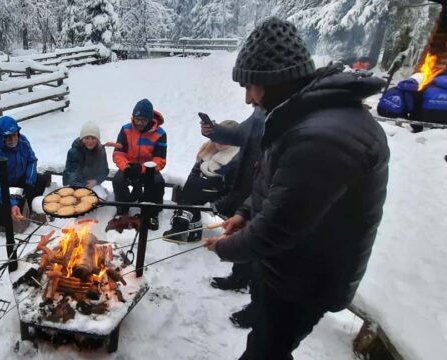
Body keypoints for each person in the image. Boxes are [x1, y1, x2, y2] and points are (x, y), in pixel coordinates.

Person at [203, 18, 390, 360]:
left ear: (275, 80)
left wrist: (225, 247)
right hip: (286, 267)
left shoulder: (324, 137)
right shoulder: (300, 118)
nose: (247, 99)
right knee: (264, 342)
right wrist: (245, 212)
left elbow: (278, 228)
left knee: (266, 352)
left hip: (305, 280)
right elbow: (276, 186)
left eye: (250, 86)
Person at [202, 108, 267, 329]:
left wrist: (223, 248)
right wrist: (215, 131)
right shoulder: (262, 112)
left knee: (262, 249)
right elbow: (240, 134)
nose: (248, 100)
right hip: (249, 188)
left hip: (268, 197)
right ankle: (239, 277)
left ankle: (259, 308)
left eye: (250, 91)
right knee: (241, 232)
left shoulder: (288, 118)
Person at [163, 120, 240, 243]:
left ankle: (183, 227)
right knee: (192, 186)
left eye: (226, 138)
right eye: (218, 137)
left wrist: (216, 205)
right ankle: (187, 227)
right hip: (203, 190)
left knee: (194, 187)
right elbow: (194, 173)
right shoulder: (208, 149)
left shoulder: (237, 158)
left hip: (223, 197)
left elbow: (235, 190)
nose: (220, 141)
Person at [0, 115, 50, 230]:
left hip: (17, 175)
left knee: (40, 180)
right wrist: (11, 204)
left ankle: (27, 207)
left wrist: (29, 182)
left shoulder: (23, 141)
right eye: (8, 137)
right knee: (4, 221)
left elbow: (32, 161)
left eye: (14, 135)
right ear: (1, 137)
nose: (13, 139)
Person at [111, 98, 167, 230]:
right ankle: (122, 210)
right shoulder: (126, 130)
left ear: (150, 119)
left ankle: (152, 213)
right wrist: (126, 167)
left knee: (158, 182)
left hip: (149, 169)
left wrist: (142, 168)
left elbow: (160, 159)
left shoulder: (160, 133)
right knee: (118, 180)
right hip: (129, 167)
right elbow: (118, 153)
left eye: (144, 120)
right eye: (137, 119)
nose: (140, 122)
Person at [63, 121, 110, 198]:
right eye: (87, 138)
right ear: (82, 139)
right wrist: (84, 187)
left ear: (97, 139)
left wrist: (96, 181)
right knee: (78, 199)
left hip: (92, 183)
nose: (90, 141)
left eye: (93, 138)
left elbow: (105, 171)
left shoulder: (101, 151)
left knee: (100, 197)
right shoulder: (74, 152)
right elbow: (72, 174)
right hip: (73, 184)